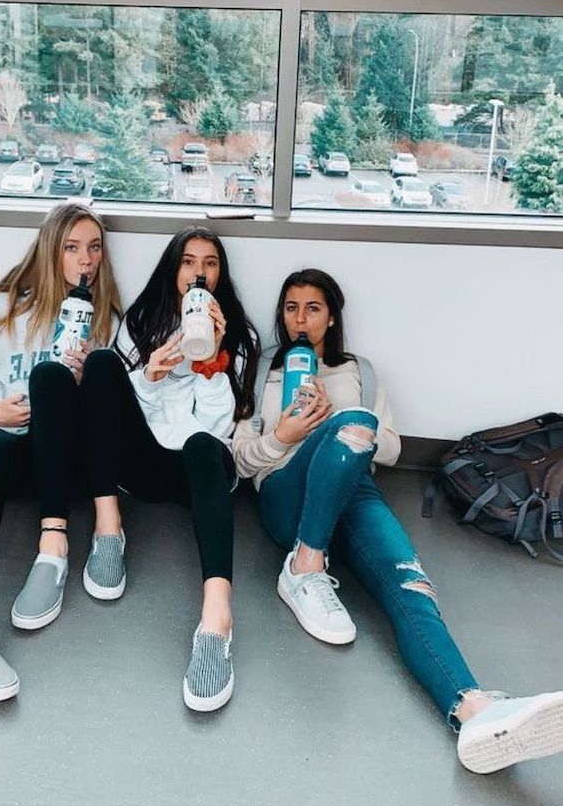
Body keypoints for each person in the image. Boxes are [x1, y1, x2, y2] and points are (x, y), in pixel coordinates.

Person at [233, 267, 563, 774]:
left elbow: (389, 448)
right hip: (287, 491)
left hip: (356, 491)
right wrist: (283, 433)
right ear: (281, 315)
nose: (301, 318)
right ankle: (303, 567)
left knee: (412, 586)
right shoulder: (260, 372)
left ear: (332, 316)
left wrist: (339, 418)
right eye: (291, 308)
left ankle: (472, 709)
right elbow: (240, 460)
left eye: (313, 308)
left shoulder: (359, 372)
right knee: (350, 426)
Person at [0, 202, 122, 703]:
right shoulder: (1, 308)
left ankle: (53, 551)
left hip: (59, 464)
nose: (85, 260)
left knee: (55, 380)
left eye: (94, 248)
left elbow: (110, 415)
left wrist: (84, 383)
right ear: (49, 249)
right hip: (2, 446)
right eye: (71, 247)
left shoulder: (103, 319)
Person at [81, 227, 259, 712]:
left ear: (220, 275)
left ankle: (216, 617)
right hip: (144, 464)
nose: (199, 271)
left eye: (210, 263)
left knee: (202, 444)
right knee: (100, 365)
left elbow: (219, 426)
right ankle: (107, 531)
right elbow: (119, 414)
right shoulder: (139, 321)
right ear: (173, 270)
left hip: (201, 471)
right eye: (188, 261)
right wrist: (149, 377)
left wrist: (214, 364)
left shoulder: (241, 336)